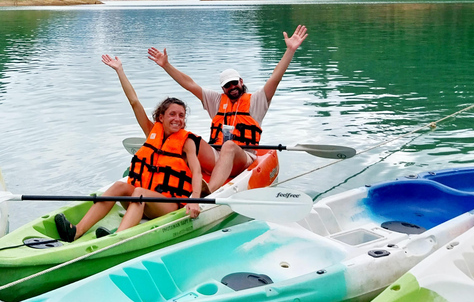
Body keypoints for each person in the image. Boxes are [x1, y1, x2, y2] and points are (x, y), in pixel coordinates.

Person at [55, 54, 202, 242]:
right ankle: (76, 231)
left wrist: (195, 199)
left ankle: (116, 239)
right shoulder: (151, 131)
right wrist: (119, 70)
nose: (178, 119)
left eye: (181, 115)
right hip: (141, 202)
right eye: (172, 114)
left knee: (139, 192)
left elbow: (196, 171)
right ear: (161, 117)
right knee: (118, 186)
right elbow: (134, 102)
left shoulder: (187, 141)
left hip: (167, 205)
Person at [147, 25, 308, 192]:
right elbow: (189, 84)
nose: (232, 87)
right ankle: (167, 180)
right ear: (223, 88)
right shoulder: (216, 101)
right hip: (216, 156)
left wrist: (290, 51)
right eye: (227, 85)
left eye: (234, 83)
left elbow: (275, 77)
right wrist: (166, 65)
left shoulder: (257, 101)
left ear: (241, 81)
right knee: (188, 138)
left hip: (243, 157)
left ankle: (210, 190)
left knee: (229, 146)